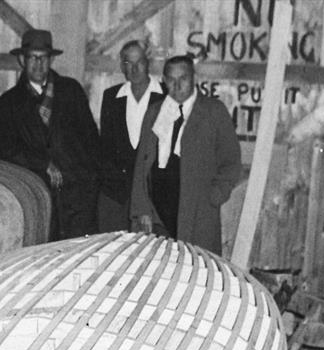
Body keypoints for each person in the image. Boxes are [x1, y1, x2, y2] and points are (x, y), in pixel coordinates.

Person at [0, 28, 100, 241]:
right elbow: (2, 148)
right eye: (32, 58)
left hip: (78, 197)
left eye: (43, 58)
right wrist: (43, 163)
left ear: (51, 60)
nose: (38, 64)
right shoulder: (8, 103)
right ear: (22, 60)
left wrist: (88, 180)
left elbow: (91, 139)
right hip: (37, 197)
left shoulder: (71, 91)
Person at [129, 54, 241, 255]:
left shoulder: (213, 112)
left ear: (193, 78)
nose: (177, 85)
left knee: (195, 268)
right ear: (164, 81)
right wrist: (142, 209)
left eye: (183, 79)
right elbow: (142, 165)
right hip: (157, 215)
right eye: (171, 80)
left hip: (196, 212)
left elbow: (231, 163)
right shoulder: (155, 113)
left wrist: (214, 196)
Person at [98, 41, 165, 232]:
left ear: (148, 63)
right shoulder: (111, 97)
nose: (134, 69)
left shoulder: (165, 96)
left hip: (153, 199)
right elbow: (106, 146)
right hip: (117, 196)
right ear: (122, 66)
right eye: (128, 63)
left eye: (140, 62)